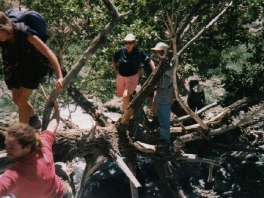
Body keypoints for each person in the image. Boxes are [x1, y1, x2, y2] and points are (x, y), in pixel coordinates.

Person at [0, 11, 63, 129]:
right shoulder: (3, 39)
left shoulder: (25, 33)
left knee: (21, 100)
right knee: (16, 100)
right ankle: (33, 119)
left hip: (35, 67)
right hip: (16, 66)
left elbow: (49, 53)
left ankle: (21, 135)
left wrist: (59, 77)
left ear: (4, 28)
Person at [0, 98, 74, 198]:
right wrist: (57, 110)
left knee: (59, 167)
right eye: (6, 145)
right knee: (60, 167)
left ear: (27, 147)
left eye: (12, 147)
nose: (7, 151)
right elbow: (52, 127)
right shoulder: (44, 147)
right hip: (62, 193)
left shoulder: (15, 173)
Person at [112, 33, 155, 112]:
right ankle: (128, 114)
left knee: (125, 96)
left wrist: (154, 71)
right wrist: (115, 69)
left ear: (134, 43)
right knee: (123, 97)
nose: (128, 45)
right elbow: (114, 59)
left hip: (132, 78)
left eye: (130, 43)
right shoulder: (121, 51)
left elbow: (150, 61)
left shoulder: (138, 53)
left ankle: (124, 118)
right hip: (121, 77)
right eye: (126, 43)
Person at [151, 42, 173, 155]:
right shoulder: (162, 65)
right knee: (162, 119)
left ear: (163, 53)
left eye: (158, 52)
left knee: (164, 121)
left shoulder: (166, 68)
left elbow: (162, 85)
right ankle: (164, 138)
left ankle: (165, 141)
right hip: (160, 97)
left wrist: (150, 90)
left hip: (164, 98)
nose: (156, 53)